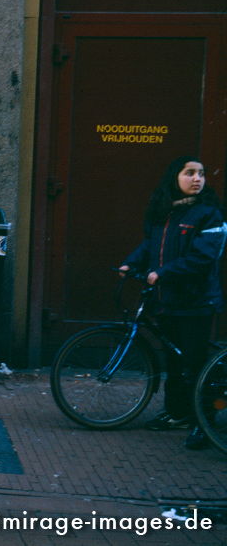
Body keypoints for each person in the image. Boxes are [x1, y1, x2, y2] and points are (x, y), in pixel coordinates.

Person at [119, 155, 224, 451]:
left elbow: (203, 258)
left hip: (195, 301)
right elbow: (149, 244)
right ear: (174, 178)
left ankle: (204, 422)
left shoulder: (209, 214)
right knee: (174, 362)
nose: (197, 179)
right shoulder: (165, 212)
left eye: (201, 174)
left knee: (195, 363)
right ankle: (177, 413)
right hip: (167, 301)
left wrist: (162, 273)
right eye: (189, 173)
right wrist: (130, 264)